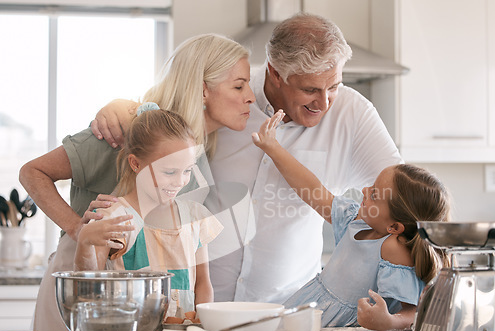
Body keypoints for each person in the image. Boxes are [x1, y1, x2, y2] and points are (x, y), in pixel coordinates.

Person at [92, 13, 403, 304]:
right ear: (275, 73)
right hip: (200, 307)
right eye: (310, 89)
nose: (324, 103)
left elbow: (407, 199)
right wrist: (122, 107)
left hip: (289, 310)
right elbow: (161, 118)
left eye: (333, 86)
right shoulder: (230, 94)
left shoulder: (353, 115)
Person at [19, 33, 255, 331]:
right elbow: (32, 172)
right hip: (82, 289)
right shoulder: (121, 130)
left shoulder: (195, 150)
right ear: (202, 90)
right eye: (239, 85)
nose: (251, 96)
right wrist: (78, 229)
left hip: (143, 314)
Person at [251, 113, 451, 331]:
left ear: (394, 227)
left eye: (374, 194)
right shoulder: (355, 221)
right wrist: (272, 147)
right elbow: (313, 190)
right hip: (313, 312)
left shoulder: (393, 248)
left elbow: (412, 313)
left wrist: (388, 321)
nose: (365, 190)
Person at [76, 104, 222, 322]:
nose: (180, 181)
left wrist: (202, 326)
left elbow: (203, 284)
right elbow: (89, 288)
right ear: (135, 163)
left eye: (188, 171)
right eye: (169, 172)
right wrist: (84, 241)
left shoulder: (195, 216)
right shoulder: (114, 217)